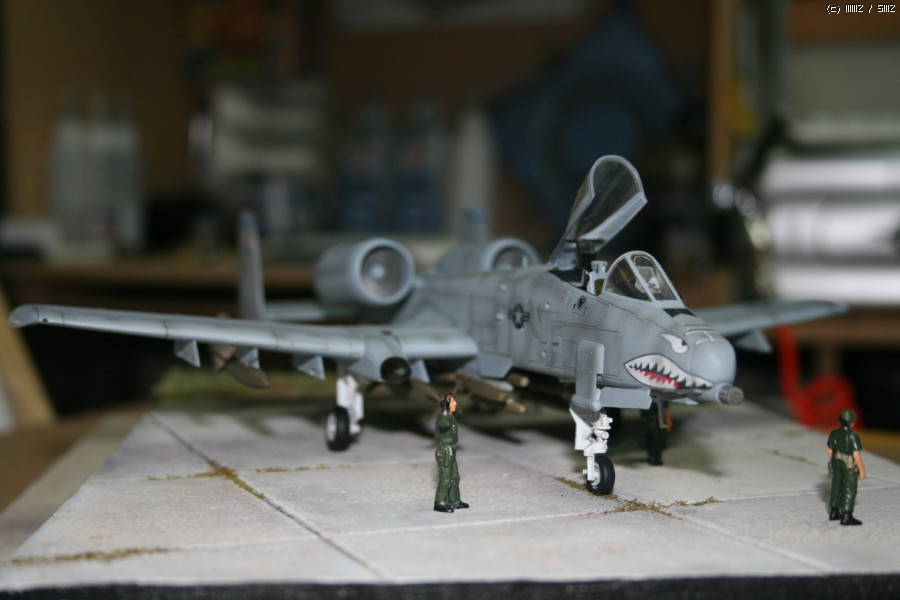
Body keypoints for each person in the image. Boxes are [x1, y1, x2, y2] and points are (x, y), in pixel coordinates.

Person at [826, 408, 866, 526]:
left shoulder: (834, 433)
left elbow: (829, 451)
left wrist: (835, 461)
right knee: (849, 489)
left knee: (836, 486)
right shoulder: (853, 436)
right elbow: (856, 454)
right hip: (849, 465)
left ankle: (834, 512)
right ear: (852, 422)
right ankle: (846, 516)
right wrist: (862, 470)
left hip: (836, 463)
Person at [434, 392, 468, 513]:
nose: (455, 403)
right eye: (453, 401)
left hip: (451, 451)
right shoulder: (443, 417)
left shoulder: (450, 416)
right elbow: (444, 425)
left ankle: (455, 501)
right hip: (445, 452)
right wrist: (444, 411)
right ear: (446, 404)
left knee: (454, 477)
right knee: (446, 478)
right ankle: (440, 503)